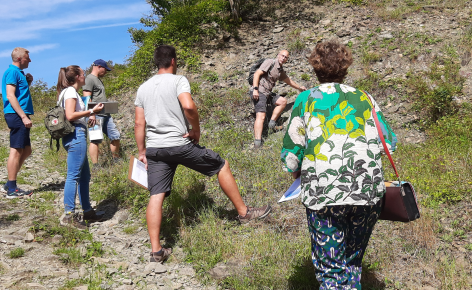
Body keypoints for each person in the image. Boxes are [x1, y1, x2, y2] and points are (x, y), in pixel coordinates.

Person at [278, 40, 396, 290]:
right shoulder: (363, 98)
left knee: (331, 268)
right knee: (351, 262)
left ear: (315, 68)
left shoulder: (307, 100)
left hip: (324, 196)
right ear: (345, 67)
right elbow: (388, 141)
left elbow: (290, 156)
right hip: (366, 194)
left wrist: (297, 169)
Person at [130, 43, 255, 263]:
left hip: (156, 149)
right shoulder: (178, 80)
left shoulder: (143, 88)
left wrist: (142, 152)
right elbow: (188, 106)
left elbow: (139, 124)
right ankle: (244, 213)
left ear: (156, 62)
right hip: (180, 144)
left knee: (156, 195)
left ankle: (156, 250)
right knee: (220, 165)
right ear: (173, 61)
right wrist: (195, 129)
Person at [58, 65, 109, 226]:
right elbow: (70, 115)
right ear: (78, 77)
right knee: (73, 175)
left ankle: (87, 211)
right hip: (75, 135)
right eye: (83, 73)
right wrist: (90, 111)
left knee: (85, 176)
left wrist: (90, 112)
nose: (85, 76)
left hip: (73, 135)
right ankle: (69, 215)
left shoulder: (68, 92)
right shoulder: (71, 92)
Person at [248, 49, 308, 146]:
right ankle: (257, 142)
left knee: (282, 101)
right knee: (261, 116)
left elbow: (288, 81)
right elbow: (257, 74)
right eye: (282, 56)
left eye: (286, 57)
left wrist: (299, 87)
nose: (283, 58)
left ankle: (272, 123)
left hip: (267, 92)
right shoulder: (270, 62)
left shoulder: (280, 70)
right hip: (259, 90)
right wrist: (255, 89)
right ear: (278, 55)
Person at [1, 47, 37, 197]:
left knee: (26, 150)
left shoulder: (19, 73)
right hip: (16, 115)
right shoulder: (12, 72)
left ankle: (10, 182)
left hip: (19, 114)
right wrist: (23, 116)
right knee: (16, 151)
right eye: (28, 57)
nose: (30, 60)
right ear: (19, 59)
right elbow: (10, 95)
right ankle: (11, 188)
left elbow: (18, 94)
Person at [86, 60, 123, 160]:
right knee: (95, 140)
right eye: (105, 69)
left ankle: (116, 159)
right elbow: (87, 98)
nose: (105, 72)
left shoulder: (98, 79)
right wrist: (91, 114)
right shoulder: (89, 79)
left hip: (106, 114)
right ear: (99, 67)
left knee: (115, 136)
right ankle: (96, 166)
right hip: (95, 115)